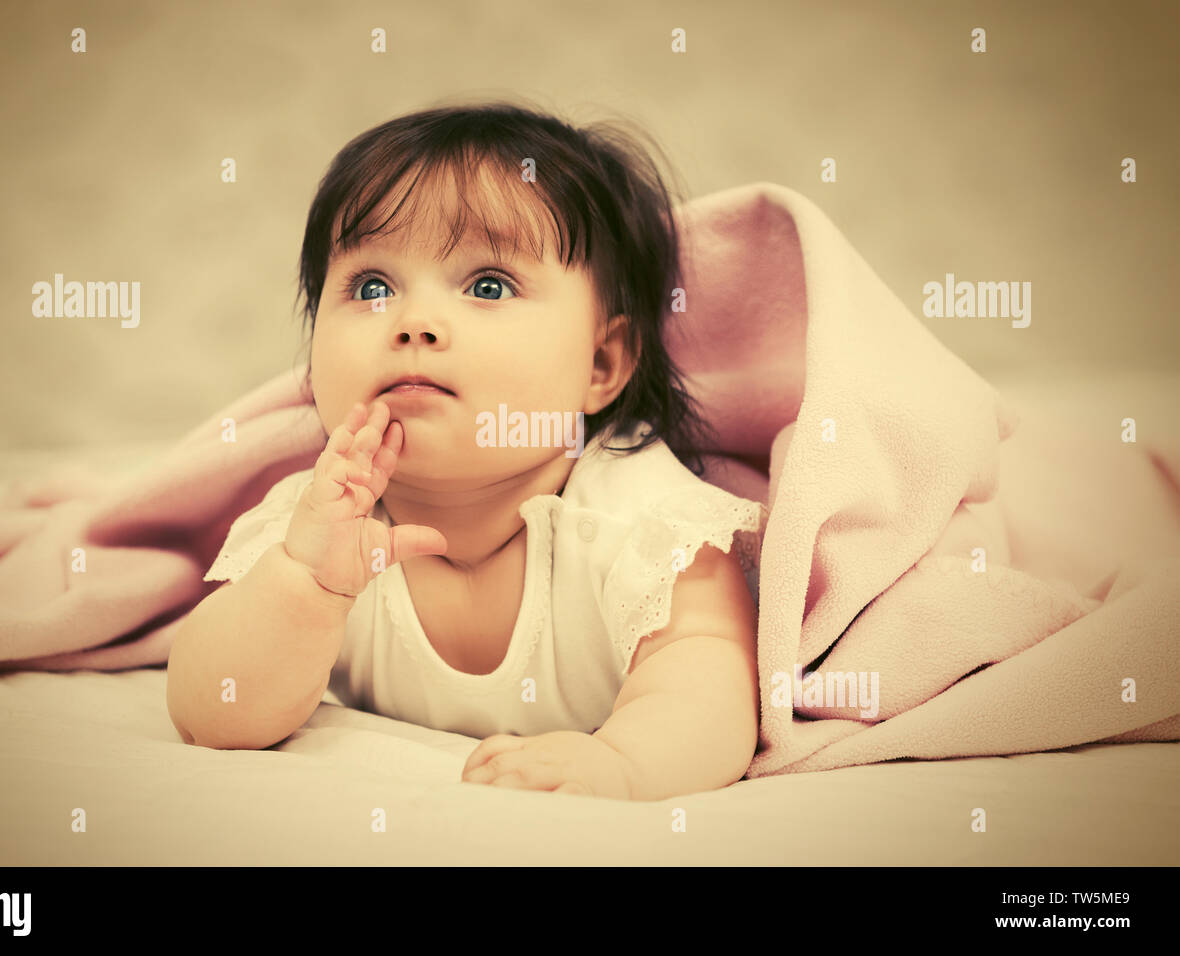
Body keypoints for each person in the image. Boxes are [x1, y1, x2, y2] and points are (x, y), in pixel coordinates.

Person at [167, 99, 767, 802]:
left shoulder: (645, 523)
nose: (414, 322)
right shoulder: (320, 524)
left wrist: (625, 765)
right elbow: (213, 711)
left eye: (488, 285)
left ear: (601, 364)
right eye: (371, 287)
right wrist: (305, 586)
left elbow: (710, 683)